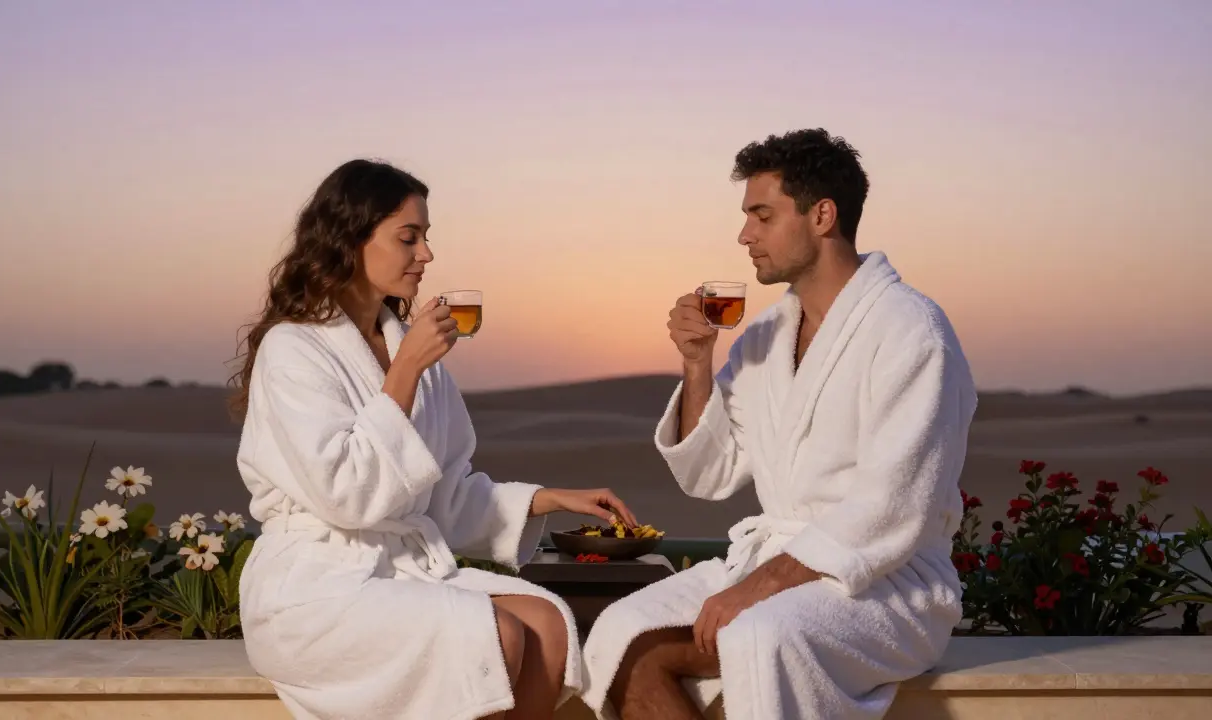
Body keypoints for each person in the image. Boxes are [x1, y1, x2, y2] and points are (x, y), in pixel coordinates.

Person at [578, 129, 977, 720]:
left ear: (822, 215)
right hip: (777, 563)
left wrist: (759, 588)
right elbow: (710, 473)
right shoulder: (766, 338)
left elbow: (893, 506)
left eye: (762, 216)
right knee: (623, 634)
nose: (745, 235)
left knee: (758, 634)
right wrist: (697, 365)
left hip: (888, 585)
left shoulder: (911, 331)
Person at [230, 159, 640, 720]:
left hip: (399, 569)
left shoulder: (411, 349)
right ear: (351, 239)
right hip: (315, 585)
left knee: (547, 626)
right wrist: (404, 371)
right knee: (496, 637)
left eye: (426, 238)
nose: (426, 255)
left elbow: (440, 494)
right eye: (409, 237)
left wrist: (551, 498)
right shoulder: (294, 348)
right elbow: (343, 496)